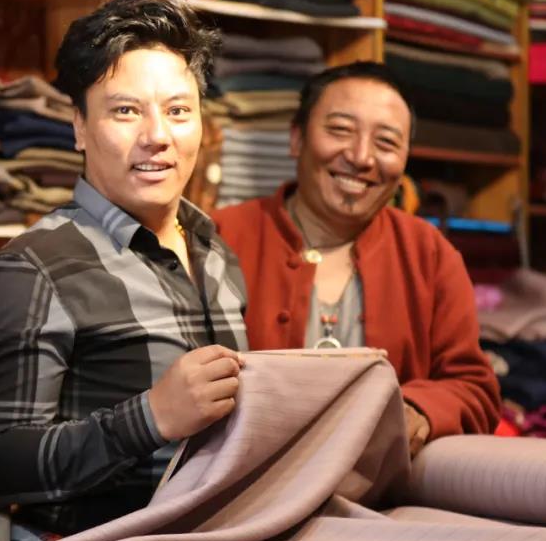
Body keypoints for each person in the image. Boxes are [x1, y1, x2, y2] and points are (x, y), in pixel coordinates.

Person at [0, 0, 248, 541]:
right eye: (126, 111)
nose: (157, 137)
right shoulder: (32, 269)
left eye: (178, 111)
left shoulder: (215, 252)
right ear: (78, 125)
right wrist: (150, 419)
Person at [213, 62, 500, 456]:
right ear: (296, 138)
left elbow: (474, 387)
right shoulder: (220, 237)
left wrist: (419, 410)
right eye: (340, 130)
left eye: (386, 142)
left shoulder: (429, 254)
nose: (362, 157)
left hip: (378, 484)